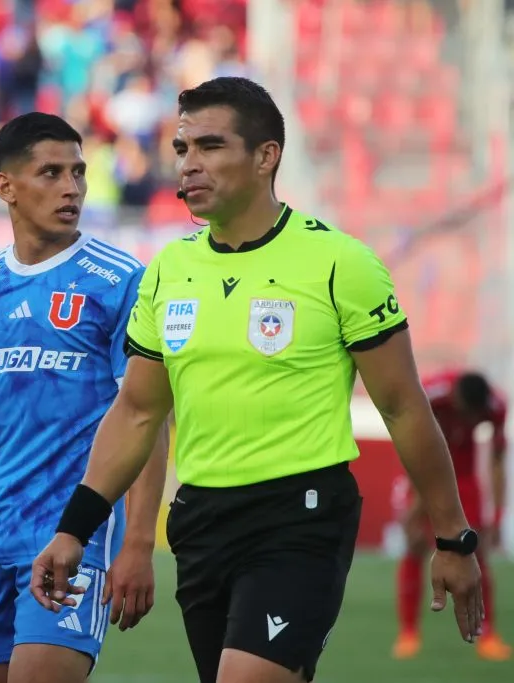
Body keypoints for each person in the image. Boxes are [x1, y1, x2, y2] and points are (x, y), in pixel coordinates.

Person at [29, 76, 484, 683]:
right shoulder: (168, 270)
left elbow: (403, 407)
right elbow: (137, 412)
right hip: (199, 521)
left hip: (301, 516)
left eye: (210, 146)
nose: (189, 164)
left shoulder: (340, 263)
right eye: (183, 149)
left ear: (266, 156)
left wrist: (453, 538)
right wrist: (74, 530)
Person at [0, 112, 170, 683]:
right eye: (51, 173)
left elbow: (146, 417)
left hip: (74, 535)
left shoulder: (119, 280)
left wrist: (139, 543)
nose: (71, 188)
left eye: (78, 172)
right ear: (6, 187)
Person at [394, 370, 510, 661]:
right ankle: (408, 633)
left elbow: (497, 462)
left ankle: (487, 634)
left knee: (476, 552)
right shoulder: (429, 395)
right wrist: (416, 504)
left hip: (465, 480)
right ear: (455, 399)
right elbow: (416, 447)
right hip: (425, 471)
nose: (468, 421)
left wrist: (497, 515)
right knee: (415, 545)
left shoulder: (496, 406)